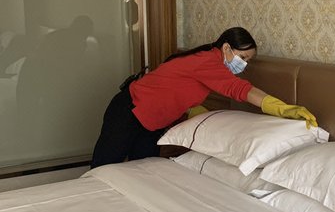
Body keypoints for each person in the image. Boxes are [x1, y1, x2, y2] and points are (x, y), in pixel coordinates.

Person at [90, 26, 317, 168]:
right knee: (104, 168)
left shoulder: (208, 60)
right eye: (243, 57)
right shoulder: (208, 61)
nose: (244, 64)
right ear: (226, 48)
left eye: (249, 61)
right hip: (128, 112)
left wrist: (207, 117)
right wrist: (282, 108)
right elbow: (241, 89)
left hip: (149, 122)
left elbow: (180, 93)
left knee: (141, 172)